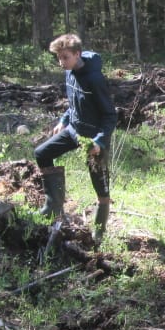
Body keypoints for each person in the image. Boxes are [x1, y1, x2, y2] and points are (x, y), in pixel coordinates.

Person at [35, 33, 118, 243]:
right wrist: (63, 120)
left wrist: (99, 141)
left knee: (101, 188)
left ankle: (98, 232)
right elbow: (73, 103)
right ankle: (54, 206)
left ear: (77, 54)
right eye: (59, 58)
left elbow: (110, 115)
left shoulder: (94, 78)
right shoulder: (69, 72)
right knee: (42, 153)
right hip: (74, 130)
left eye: (65, 57)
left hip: (93, 140)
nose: (61, 62)